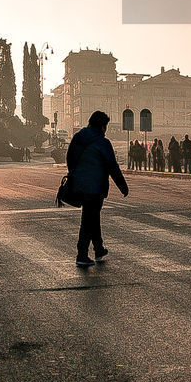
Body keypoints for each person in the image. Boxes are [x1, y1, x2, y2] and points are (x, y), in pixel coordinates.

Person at [65, 111, 128, 267]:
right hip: (95, 186)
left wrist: (74, 174)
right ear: (102, 126)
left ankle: (99, 248)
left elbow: (69, 157)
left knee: (93, 217)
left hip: (79, 184)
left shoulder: (78, 137)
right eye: (105, 126)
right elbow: (112, 166)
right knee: (88, 219)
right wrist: (122, 185)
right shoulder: (103, 143)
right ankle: (81, 254)